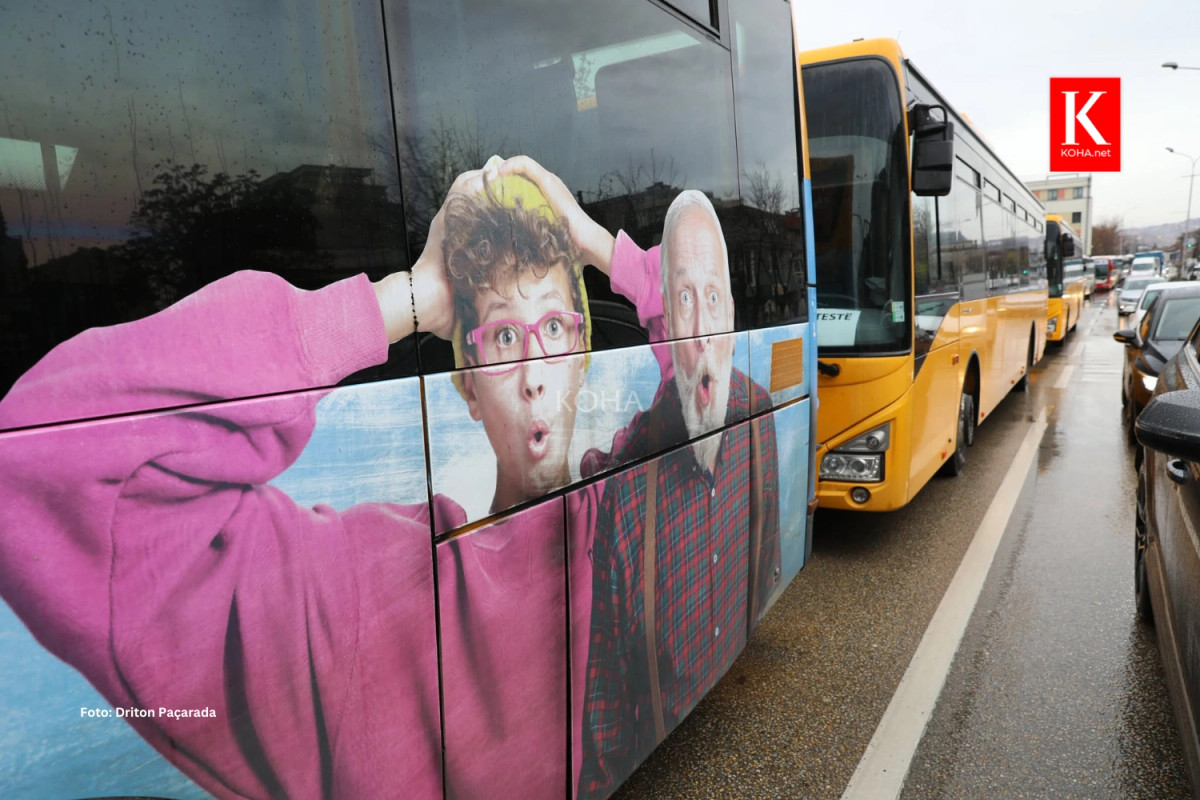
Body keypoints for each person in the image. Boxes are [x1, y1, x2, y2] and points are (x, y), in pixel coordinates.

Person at [0, 156, 667, 800]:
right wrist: (405, 298)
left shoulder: (635, 507)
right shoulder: (362, 582)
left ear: (584, 357)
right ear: (466, 387)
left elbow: (711, 367)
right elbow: (38, 461)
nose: (535, 373)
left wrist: (601, 246)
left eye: (554, 328)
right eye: (502, 340)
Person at [577, 191, 782, 799]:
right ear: (665, 323)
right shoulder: (630, 482)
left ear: (732, 318)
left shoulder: (758, 414)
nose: (699, 334)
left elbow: (766, 556)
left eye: (712, 298)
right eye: (682, 300)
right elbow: (607, 696)